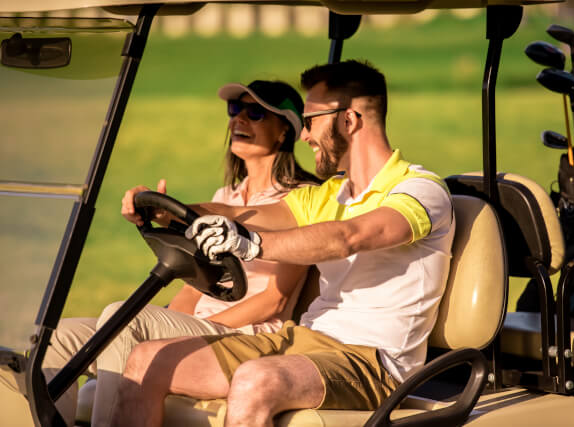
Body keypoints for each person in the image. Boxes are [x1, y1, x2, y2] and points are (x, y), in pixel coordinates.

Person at [111, 60, 456, 427]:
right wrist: (171, 213)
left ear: (349, 120)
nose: (304, 136)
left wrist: (252, 245)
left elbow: (348, 237)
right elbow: (238, 212)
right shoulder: (328, 196)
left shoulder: (420, 190)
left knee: (254, 380)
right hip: (303, 340)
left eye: (310, 122)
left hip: (374, 362)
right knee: (145, 361)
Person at [41, 80, 320, 427]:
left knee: (123, 320)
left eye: (255, 113)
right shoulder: (228, 195)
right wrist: (168, 320)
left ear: (283, 132)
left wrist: (195, 329)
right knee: (60, 335)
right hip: (203, 323)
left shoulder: (301, 201)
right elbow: (194, 285)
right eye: (235, 110)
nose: (239, 120)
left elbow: (275, 301)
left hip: (249, 334)